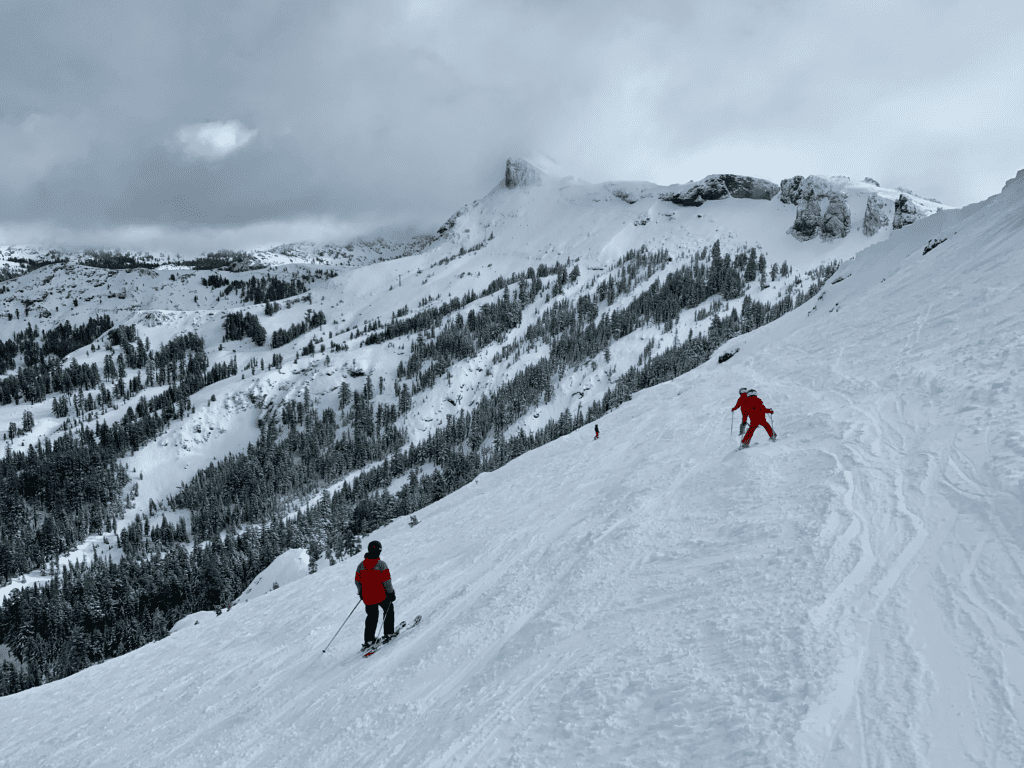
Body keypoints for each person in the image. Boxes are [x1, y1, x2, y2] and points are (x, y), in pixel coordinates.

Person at [354, 540, 396, 650]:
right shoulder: (381, 564)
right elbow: (387, 581)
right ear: (379, 551)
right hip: (381, 595)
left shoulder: (361, 566)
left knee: (371, 617)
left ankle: (369, 640)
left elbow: (357, 581)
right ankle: (388, 633)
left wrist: (361, 592)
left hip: (368, 597)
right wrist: (391, 593)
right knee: (388, 610)